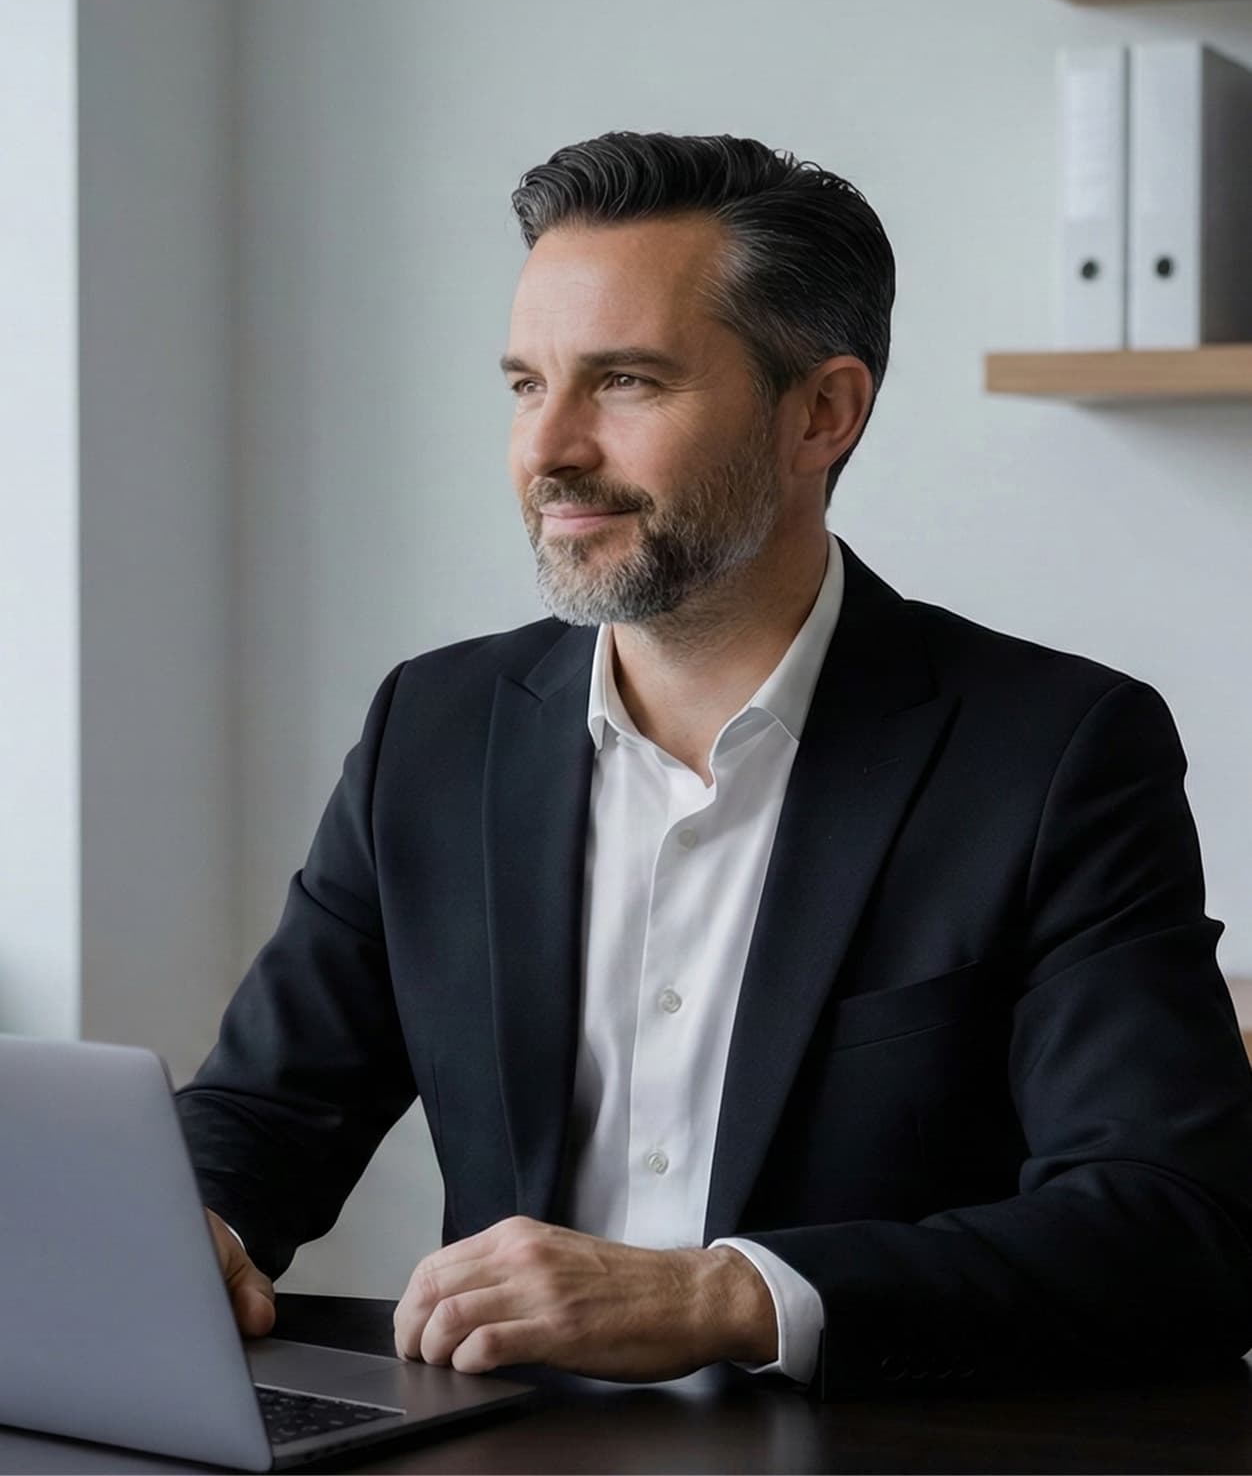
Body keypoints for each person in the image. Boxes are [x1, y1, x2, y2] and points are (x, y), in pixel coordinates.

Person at [176, 132, 1252, 1399]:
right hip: (493, 1451)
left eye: (624, 382)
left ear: (821, 412)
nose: (551, 449)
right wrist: (194, 1229)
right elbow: (266, 1114)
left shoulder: (1055, 751)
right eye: (527, 384)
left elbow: (1169, 1228)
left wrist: (722, 1295)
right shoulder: (437, 724)